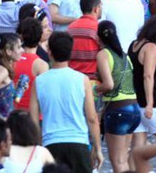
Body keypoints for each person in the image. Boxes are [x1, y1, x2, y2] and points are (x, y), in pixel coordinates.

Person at [30, 31, 103, 173]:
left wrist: (38, 145)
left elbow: (33, 120)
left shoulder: (39, 81)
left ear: (49, 52)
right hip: (78, 142)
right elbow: (92, 118)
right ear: (71, 53)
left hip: (50, 143)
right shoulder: (82, 79)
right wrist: (98, 148)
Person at [95, 20, 142, 173]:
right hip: (134, 109)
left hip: (117, 110)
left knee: (118, 163)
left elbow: (109, 84)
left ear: (98, 37)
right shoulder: (124, 56)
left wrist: (94, 89)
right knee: (124, 159)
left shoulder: (103, 54)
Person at [128, 15, 156, 161]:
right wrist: (149, 103)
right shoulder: (151, 48)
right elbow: (148, 75)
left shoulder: (134, 44)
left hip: (134, 101)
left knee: (137, 148)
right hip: (150, 105)